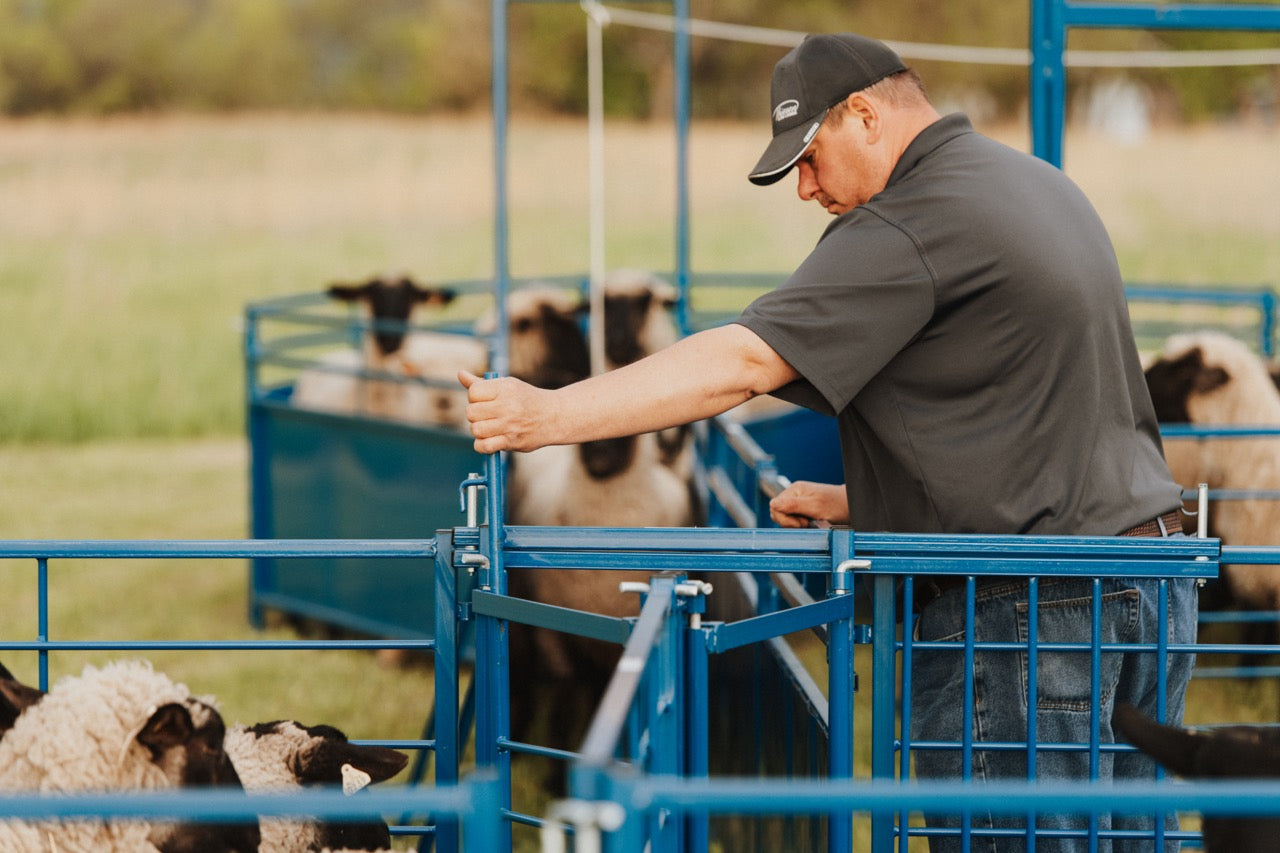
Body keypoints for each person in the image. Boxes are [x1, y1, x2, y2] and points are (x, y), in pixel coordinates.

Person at [461, 32, 1196, 852]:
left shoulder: (917, 218)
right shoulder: (1032, 184)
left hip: (1030, 606)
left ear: (865, 115)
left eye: (809, 158)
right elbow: (1042, 414)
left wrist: (545, 417)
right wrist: (869, 501)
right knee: (1130, 840)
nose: (806, 189)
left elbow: (741, 362)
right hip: (1143, 581)